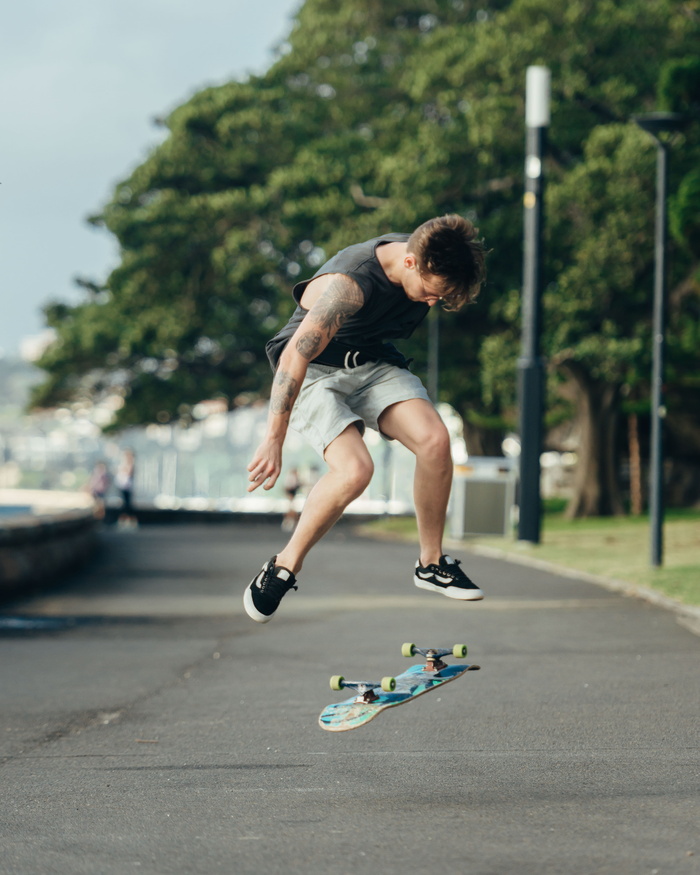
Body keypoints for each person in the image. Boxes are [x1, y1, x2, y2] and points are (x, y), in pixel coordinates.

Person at [244, 214, 487, 623]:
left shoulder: (429, 248)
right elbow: (293, 358)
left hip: (371, 362)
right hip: (315, 372)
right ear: (411, 263)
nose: (431, 303)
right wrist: (273, 437)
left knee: (435, 441)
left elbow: (452, 228)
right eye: (431, 292)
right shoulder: (350, 286)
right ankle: (284, 566)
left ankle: (431, 564)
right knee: (355, 470)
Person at [115, 449, 137, 528]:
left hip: (127, 487)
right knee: (124, 504)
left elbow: (129, 472)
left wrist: (123, 470)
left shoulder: (131, 464)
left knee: (127, 505)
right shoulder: (123, 463)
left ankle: (129, 521)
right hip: (122, 486)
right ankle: (124, 521)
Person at [281, 467, 302, 532]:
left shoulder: (294, 478)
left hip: (292, 495)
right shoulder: (291, 478)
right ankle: (289, 522)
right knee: (291, 508)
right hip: (291, 494)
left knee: (291, 508)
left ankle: (291, 522)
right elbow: (289, 487)